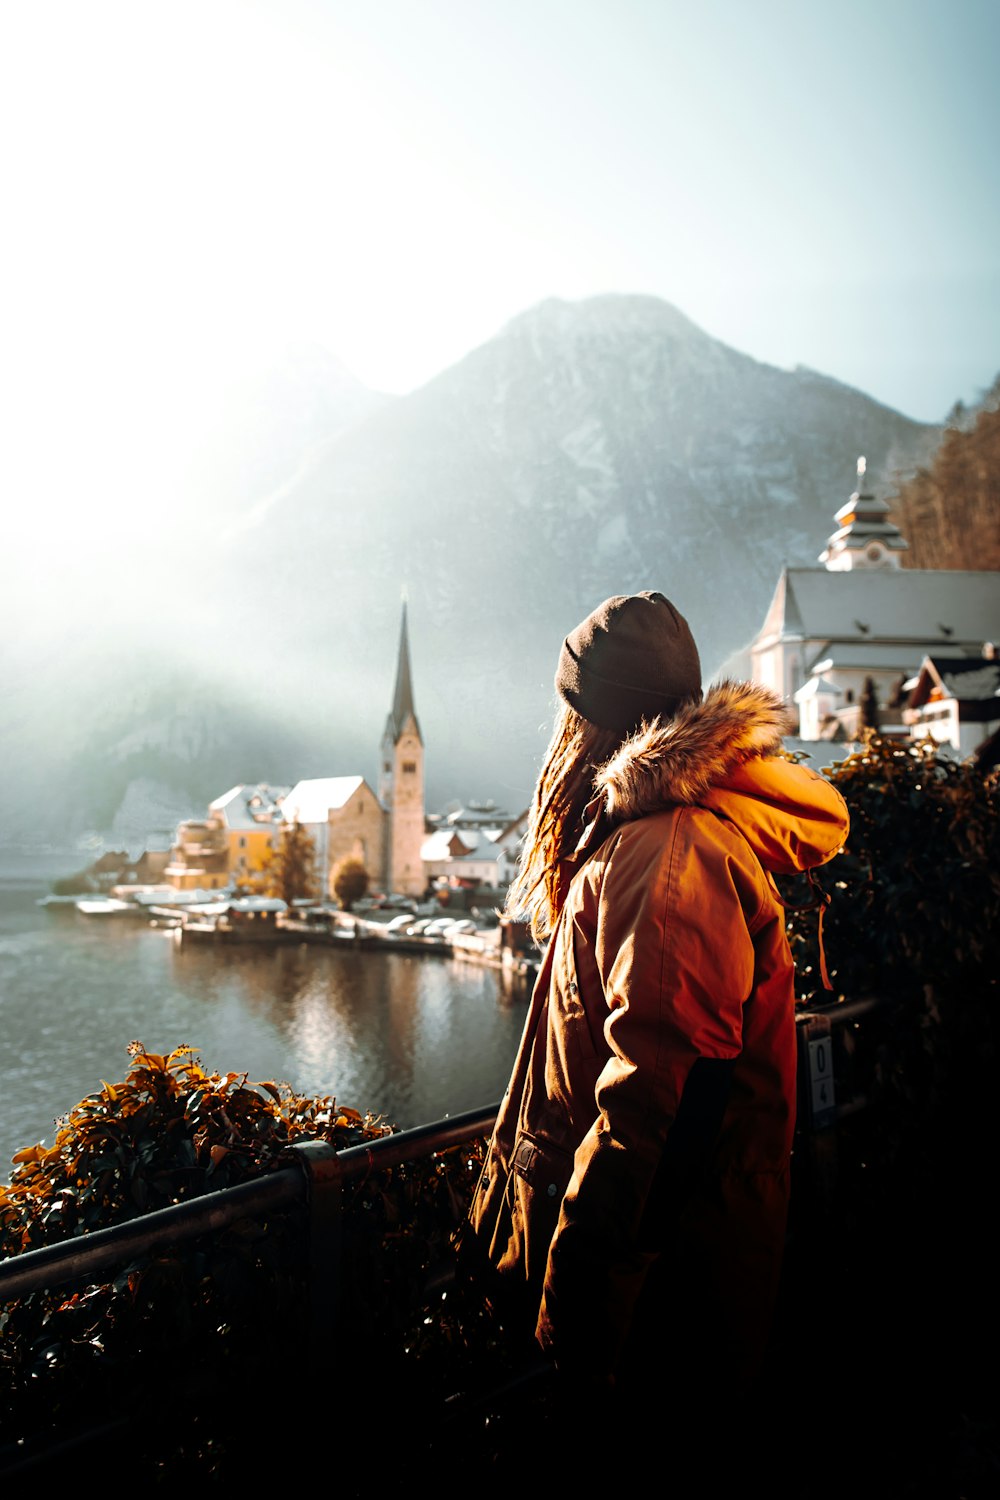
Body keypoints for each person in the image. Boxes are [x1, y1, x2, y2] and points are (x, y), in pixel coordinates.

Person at [464, 591, 849, 1471]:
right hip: (669, 1285)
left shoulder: (666, 853)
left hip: (658, 1311)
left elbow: (664, 1107)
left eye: (570, 713)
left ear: (595, 725)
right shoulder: (652, 837)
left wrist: (581, 1302)